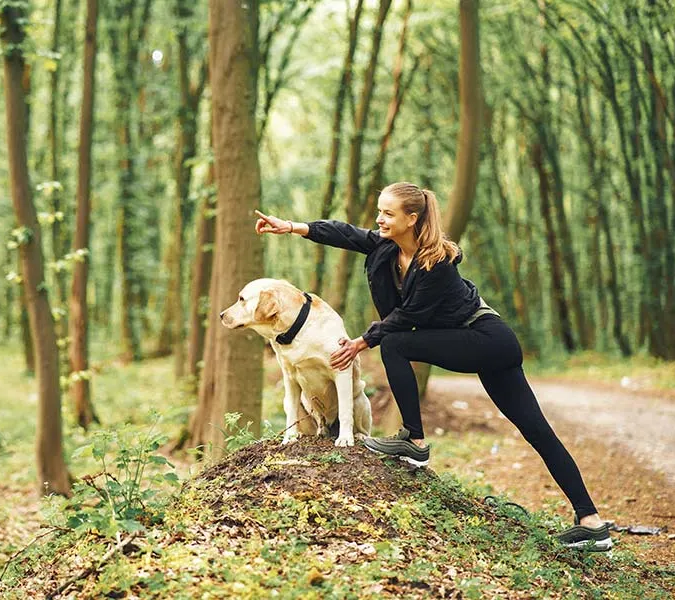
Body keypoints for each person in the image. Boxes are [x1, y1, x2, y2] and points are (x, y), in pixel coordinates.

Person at [254, 181, 612, 551]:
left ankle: (415, 439)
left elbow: (408, 315)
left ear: (412, 218)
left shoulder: (437, 262)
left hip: (488, 339)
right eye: (379, 211)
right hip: (471, 342)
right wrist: (292, 226)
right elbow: (343, 232)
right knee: (535, 429)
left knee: (394, 343)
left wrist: (361, 342)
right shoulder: (384, 247)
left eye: (388, 213)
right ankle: (592, 523)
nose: (379, 219)